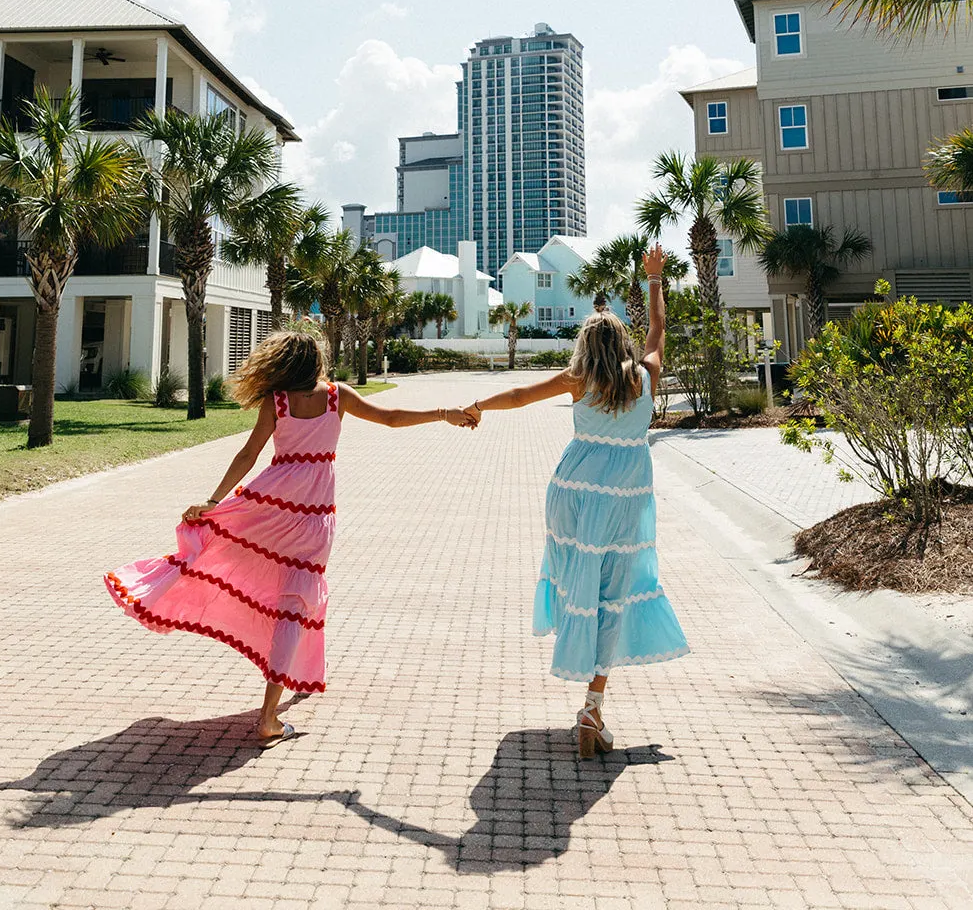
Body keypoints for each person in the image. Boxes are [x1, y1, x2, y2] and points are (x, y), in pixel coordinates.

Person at [105, 327, 476, 744]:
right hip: (313, 512)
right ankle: (268, 718)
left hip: (269, 503)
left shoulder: (277, 401)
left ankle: (297, 675)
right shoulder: (337, 395)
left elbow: (248, 454)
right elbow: (389, 419)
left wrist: (214, 500)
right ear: (315, 361)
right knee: (295, 600)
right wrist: (445, 412)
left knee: (251, 574)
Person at [462, 244, 688, 757]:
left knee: (578, 584)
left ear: (585, 346)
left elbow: (519, 396)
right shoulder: (644, 377)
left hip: (572, 493)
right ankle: (592, 705)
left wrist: (477, 404)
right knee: (613, 596)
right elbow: (657, 332)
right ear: (621, 343)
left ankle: (589, 703)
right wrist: (654, 279)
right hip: (624, 499)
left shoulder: (578, 380)